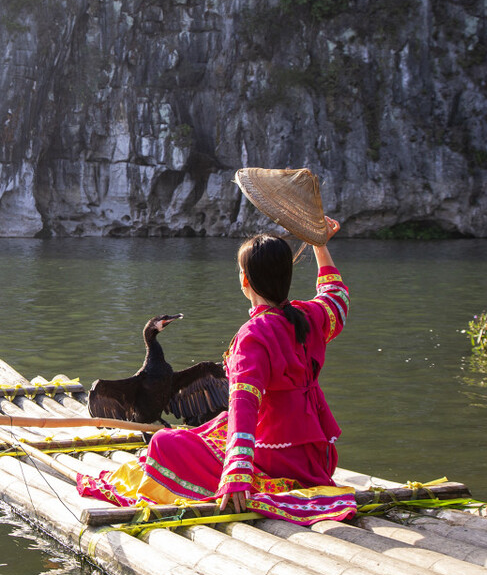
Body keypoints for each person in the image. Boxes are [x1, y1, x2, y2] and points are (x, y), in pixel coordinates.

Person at [76, 216, 355, 525]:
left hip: (278, 460)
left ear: (245, 281)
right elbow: (335, 296)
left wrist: (236, 474)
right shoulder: (309, 315)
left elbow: (244, 405)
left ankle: (240, 470)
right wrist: (319, 244)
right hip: (319, 457)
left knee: (163, 443)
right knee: (213, 425)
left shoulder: (253, 335)